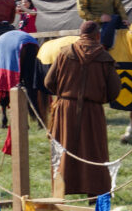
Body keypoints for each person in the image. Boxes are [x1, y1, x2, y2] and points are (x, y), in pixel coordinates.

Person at [43, 21, 122, 197]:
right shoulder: (104, 57)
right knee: (93, 150)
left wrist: (64, 95)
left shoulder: (64, 52)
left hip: (65, 109)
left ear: (80, 34)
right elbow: (115, 90)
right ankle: (95, 194)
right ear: (98, 35)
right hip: (92, 110)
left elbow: (48, 82)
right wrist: (99, 97)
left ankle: (60, 192)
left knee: (63, 148)